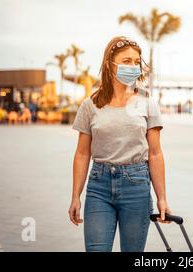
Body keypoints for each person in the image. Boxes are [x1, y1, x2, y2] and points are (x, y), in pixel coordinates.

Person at [69, 36, 171, 252]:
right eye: (126, 61)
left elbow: (155, 153)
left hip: (137, 186)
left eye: (136, 62)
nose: (133, 67)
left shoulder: (147, 102)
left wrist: (162, 198)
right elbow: (82, 154)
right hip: (99, 186)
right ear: (110, 64)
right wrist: (75, 196)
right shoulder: (90, 105)